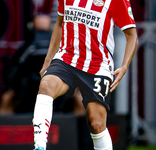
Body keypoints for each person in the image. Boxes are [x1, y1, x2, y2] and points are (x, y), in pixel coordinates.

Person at [32, 0, 138, 149]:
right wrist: (48, 59)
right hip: (67, 58)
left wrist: (124, 66)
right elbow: (59, 23)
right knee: (46, 86)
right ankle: (39, 145)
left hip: (98, 66)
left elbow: (132, 35)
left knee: (96, 123)